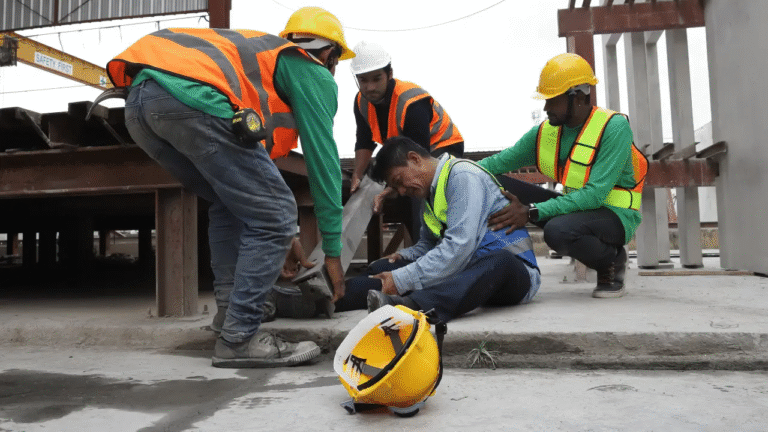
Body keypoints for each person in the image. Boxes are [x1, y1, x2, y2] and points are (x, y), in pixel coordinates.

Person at [107, 6, 354, 368]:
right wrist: (332, 251)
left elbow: (252, 191)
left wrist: (285, 237)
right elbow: (324, 162)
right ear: (329, 54)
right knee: (278, 212)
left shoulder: (263, 67)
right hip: (190, 98)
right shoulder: (310, 69)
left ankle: (229, 320)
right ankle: (240, 339)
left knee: (229, 204)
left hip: (142, 105)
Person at [480, 53, 648, 299]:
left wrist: (530, 212)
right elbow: (497, 163)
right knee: (495, 182)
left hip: (614, 216)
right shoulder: (546, 132)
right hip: (578, 210)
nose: (546, 107)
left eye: (552, 100)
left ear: (578, 98)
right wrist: (450, 171)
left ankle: (611, 260)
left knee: (557, 232)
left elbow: (594, 195)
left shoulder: (614, 128)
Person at [335, 136, 541, 323]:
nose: (402, 191)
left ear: (415, 159)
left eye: (399, 181)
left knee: (499, 261)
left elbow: (460, 247)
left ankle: (411, 306)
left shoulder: (463, 176)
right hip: (465, 267)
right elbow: (428, 245)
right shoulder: (429, 195)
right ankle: (329, 300)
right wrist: (404, 255)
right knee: (381, 269)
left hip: (512, 272)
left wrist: (402, 279)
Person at [348, 41, 464, 242]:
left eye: (377, 79)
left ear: (389, 74)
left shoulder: (411, 101)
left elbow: (418, 159)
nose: (370, 87)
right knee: (401, 192)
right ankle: (421, 247)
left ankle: (434, 247)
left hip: (441, 148)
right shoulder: (361, 102)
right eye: (363, 80)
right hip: (405, 152)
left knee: (415, 189)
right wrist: (357, 175)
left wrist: (389, 189)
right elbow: (364, 141)